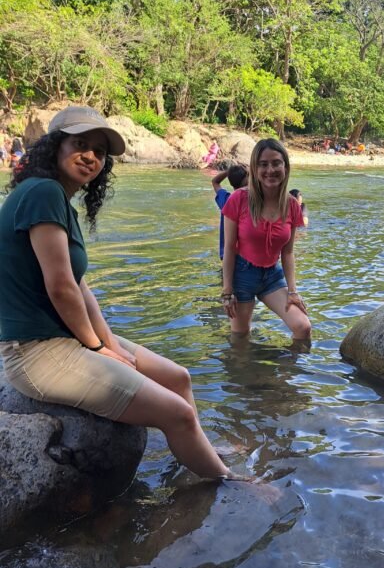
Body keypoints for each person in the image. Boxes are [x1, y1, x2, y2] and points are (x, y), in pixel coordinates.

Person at [0, 105, 232, 482]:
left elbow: (79, 285)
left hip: (64, 342)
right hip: (35, 352)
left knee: (179, 378)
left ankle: (198, 449)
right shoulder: (42, 193)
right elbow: (60, 288)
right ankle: (227, 481)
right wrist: (95, 348)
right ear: (55, 146)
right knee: (179, 412)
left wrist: (107, 341)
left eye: (100, 151)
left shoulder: (57, 199)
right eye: (80, 144)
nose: (90, 156)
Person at [221, 138, 311, 342]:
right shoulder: (239, 199)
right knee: (240, 339)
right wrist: (227, 291)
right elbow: (229, 248)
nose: (270, 170)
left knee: (303, 327)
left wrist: (293, 291)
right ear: (255, 168)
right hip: (242, 274)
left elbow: (287, 253)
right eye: (263, 164)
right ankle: (249, 373)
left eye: (276, 163)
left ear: (285, 167)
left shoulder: (292, 205)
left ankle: (286, 374)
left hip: (272, 275)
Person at [212, 164, 248, 260]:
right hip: (244, 257)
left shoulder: (226, 200)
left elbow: (215, 181)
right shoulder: (249, 201)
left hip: (226, 255)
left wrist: (229, 172)